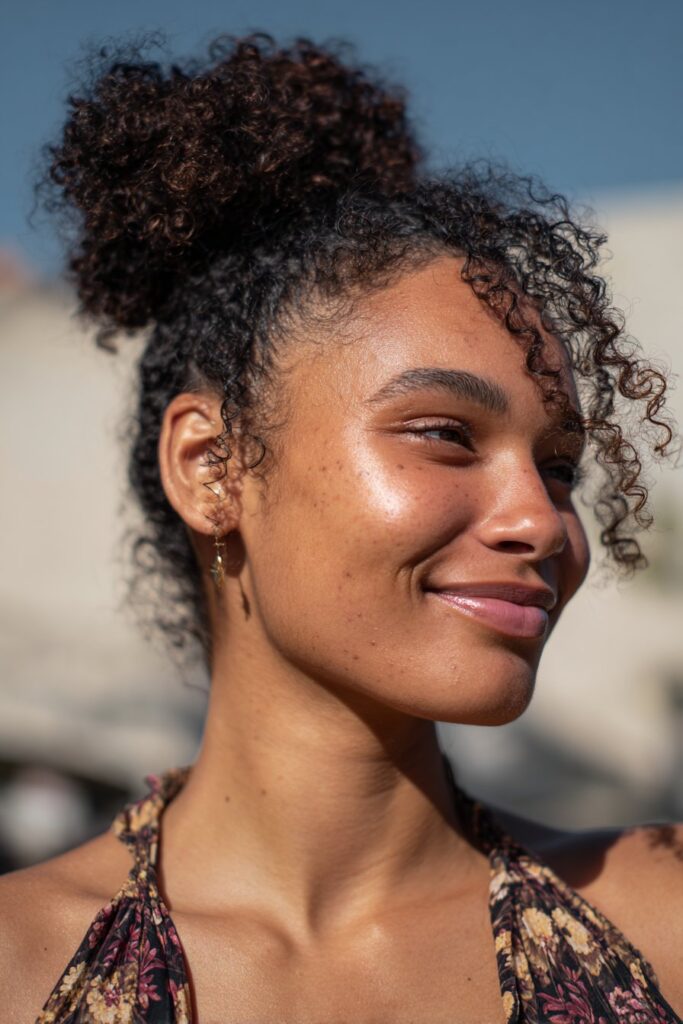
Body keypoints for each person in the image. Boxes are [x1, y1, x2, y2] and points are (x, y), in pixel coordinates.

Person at [0, 32, 681, 1024]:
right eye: (444, 434)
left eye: (558, 467)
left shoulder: (659, 921)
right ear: (210, 467)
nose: (540, 521)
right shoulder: (22, 967)